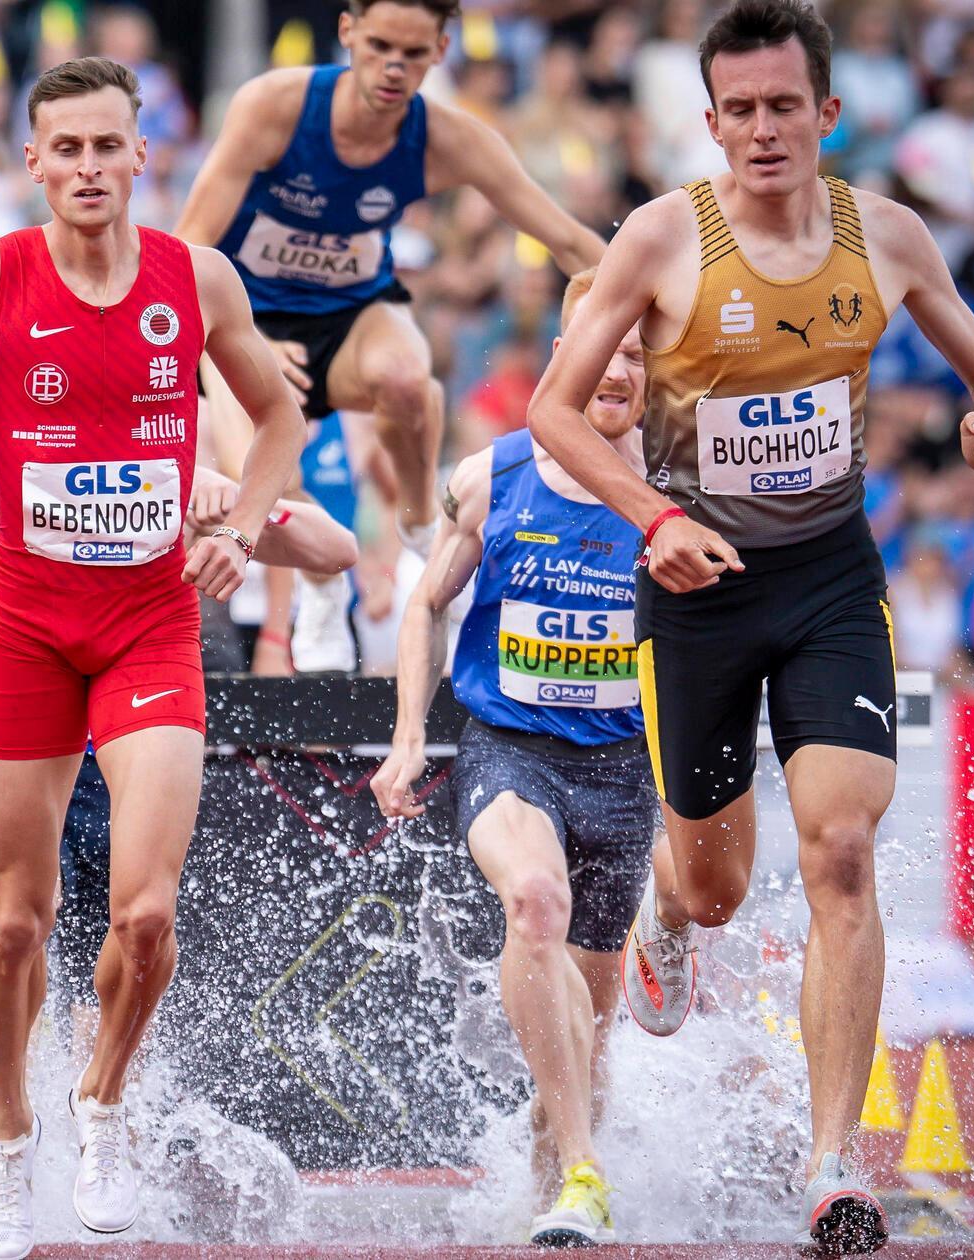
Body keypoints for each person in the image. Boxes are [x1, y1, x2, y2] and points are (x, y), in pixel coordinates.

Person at [524, 4, 974, 1252]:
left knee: (841, 852)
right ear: (708, 123)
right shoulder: (660, 241)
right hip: (696, 594)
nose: (761, 130)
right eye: (737, 111)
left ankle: (830, 1162)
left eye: (781, 107)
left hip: (826, 583)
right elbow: (554, 412)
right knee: (713, 889)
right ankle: (660, 906)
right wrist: (651, 519)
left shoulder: (888, 236)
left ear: (826, 114)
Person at [0, 56, 304, 1260]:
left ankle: (99, 1100)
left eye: (107, 145)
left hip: (149, 624)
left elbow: (283, 420)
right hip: (28, 628)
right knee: (15, 927)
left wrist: (240, 531)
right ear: (32, 162)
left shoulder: (196, 280)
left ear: (145, 154)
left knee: (142, 916)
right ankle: (10, 1138)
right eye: (64, 149)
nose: (88, 168)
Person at [0, 468, 357, 1151]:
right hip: (23, 761)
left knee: (130, 944)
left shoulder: (170, 477)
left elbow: (336, 549)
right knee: (15, 917)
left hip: (129, 762)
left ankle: (104, 1117)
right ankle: (9, 1089)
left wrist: (239, 517)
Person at [174, 0, 603, 670]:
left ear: (441, 49)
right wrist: (245, 339)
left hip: (351, 320)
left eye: (413, 53)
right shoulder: (276, 108)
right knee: (264, 471)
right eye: (378, 46)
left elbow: (570, 241)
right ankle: (320, 583)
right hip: (243, 321)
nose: (393, 68)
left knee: (411, 377)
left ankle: (421, 524)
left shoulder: (450, 138)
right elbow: (186, 251)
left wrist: (661, 313)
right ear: (346, 33)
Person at [371, 270, 653, 1247]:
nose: (613, 366)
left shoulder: (676, 490)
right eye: (596, 345)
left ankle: (556, 1197)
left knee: (585, 1033)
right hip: (509, 751)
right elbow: (422, 602)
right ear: (558, 357)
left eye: (632, 351)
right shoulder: (493, 474)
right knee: (531, 900)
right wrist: (411, 733)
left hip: (624, 772)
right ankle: (584, 1171)